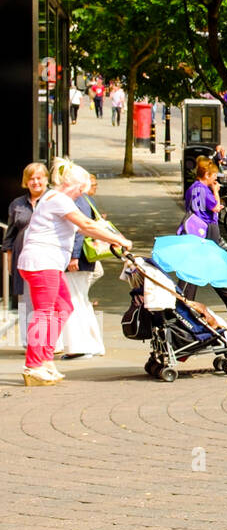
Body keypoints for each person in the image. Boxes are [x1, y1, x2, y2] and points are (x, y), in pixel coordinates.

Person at [18, 160, 131, 385]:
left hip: (47, 263)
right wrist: (119, 239)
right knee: (44, 314)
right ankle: (33, 365)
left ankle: (46, 358)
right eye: (81, 190)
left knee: (63, 307)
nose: (81, 195)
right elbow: (86, 225)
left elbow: (82, 227)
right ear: (75, 186)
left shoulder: (53, 198)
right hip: (43, 262)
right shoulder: (59, 199)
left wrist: (110, 238)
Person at [178, 158, 227, 311]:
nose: (216, 178)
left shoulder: (192, 188)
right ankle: (183, 299)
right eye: (214, 175)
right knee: (206, 264)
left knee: (206, 264)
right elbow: (215, 207)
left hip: (194, 228)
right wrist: (216, 192)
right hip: (207, 228)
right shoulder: (204, 189)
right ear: (207, 174)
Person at [59, 174, 107, 359]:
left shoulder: (77, 201)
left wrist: (74, 256)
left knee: (74, 302)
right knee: (81, 301)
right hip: (82, 260)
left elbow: (80, 229)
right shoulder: (86, 200)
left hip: (76, 261)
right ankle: (93, 344)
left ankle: (80, 347)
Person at [3, 162, 49, 310]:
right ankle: (27, 333)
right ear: (26, 181)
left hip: (48, 259)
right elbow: (10, 236)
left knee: (46, 302)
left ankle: (46, 332)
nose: (35, 182)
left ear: (46, 179)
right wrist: (10, 261)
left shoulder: (54, 200)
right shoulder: (17, 204)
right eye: (31, 179)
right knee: (26, 305)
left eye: (39, 178)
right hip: (23, 260)